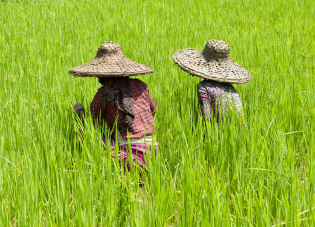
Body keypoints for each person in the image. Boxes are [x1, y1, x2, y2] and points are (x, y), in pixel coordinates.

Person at [69, 40, 157, 171]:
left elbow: (90, 124)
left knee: (86, 133)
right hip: (152, 153)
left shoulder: (104, 93)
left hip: (127, 156)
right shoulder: (141, 85)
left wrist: (79, 114)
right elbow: (154, 110)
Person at [172, 39, 251, 124]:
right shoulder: (231, 88)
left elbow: (207, 116)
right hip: (237, 131)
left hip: (217, 131)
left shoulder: (204, 87)